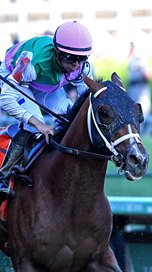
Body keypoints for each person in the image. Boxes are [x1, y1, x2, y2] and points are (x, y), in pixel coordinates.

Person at [0, 20, 94, 199]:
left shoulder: (83, 67)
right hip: (14, 76)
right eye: (70, 58)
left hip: (47, 84)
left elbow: (86, 102)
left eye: (81, 58)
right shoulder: (31, 62)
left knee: (69, 118)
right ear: (57, 53)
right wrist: (38, 124)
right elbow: (5, 98)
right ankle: (3, 176)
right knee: (35, 122)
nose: (76, 64)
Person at [127, 41, 152, 117]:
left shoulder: (140, 60)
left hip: (141, 89)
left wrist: (141, 66)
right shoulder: (131, 60)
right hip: (133, 90)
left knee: (144, 114)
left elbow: (149, 75)